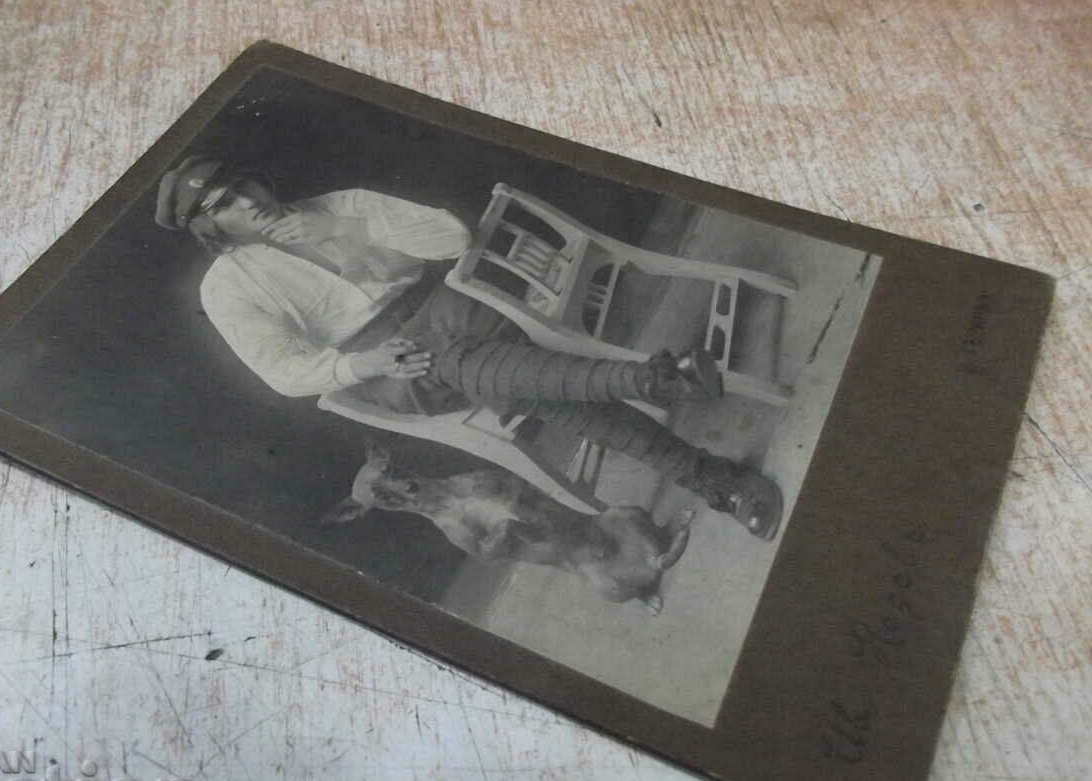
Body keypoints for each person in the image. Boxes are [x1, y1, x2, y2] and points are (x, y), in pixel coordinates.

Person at [154, 156, 783, 539]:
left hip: (449, 305)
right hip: (389, 364)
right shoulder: (228, 285)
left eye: (243, 186)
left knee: (540, 390)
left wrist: (343, 228)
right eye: (225, 205)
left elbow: (453, 236)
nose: (248, 203)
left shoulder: (337, 204)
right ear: (211, 227)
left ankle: (694, 444)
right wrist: (362, 363)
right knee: (474, 366)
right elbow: (283, 372)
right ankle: (654, 390)